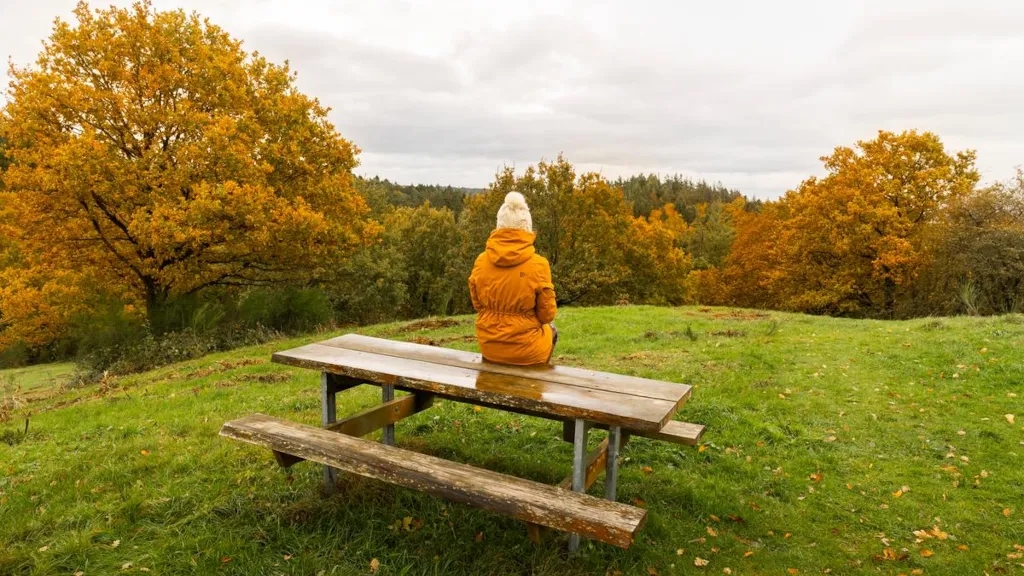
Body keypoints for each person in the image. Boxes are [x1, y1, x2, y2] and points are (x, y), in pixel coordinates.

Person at [468, 192, 557, 365]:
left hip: (490, 347)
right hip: (528, 352)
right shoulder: (539, 265)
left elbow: (477, 304)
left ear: (498, 225)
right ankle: (535, 383)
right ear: (527, 227)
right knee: (552, 330)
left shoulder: (481, 261)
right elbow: (547, 315)